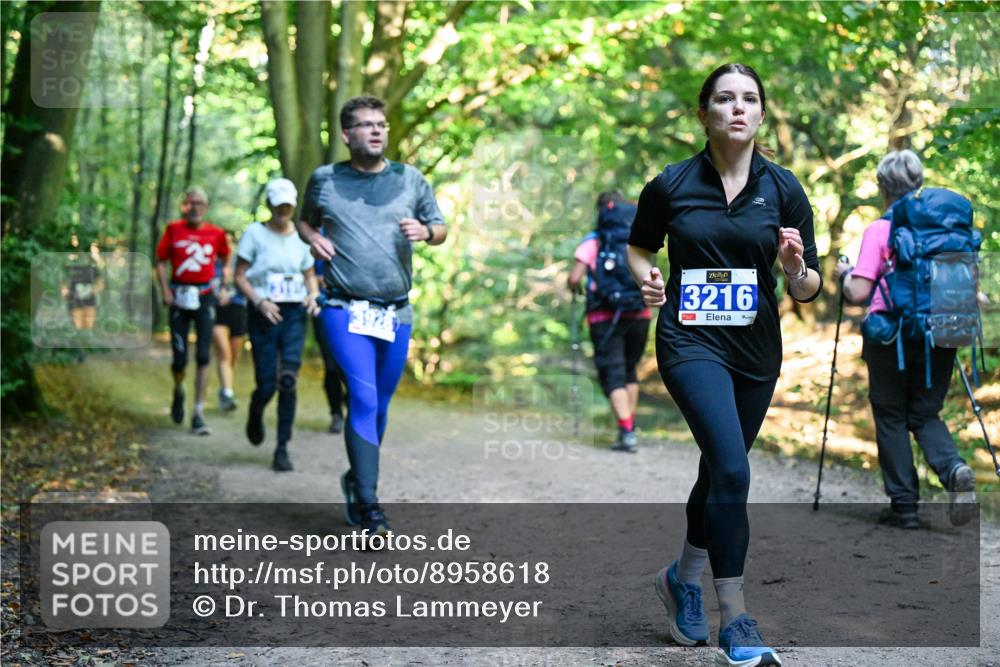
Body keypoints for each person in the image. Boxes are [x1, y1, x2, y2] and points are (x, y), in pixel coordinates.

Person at [627, 63, 820, 666]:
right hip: (690, 342)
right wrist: (650, 282)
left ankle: (680, 579)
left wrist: (792, 267)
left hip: (755, 350)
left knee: (719, 470)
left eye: (749, 99)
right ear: (704, 112)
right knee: (734, 470)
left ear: (762, 114)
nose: (738, 108)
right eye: (724, 99)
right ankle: (735, 618)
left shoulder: (784, 188)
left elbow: (809, 288)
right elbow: (639, 247)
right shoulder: (671, 184)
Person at [297, 95, 447, 535]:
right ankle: (369, 503)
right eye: (365, 125)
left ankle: (356, 478)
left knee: (379, 405)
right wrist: (312, 239)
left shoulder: (410, 179)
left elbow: (440, 227)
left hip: (395, 312)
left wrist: (426, 232)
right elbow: (307, 221)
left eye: (380, 123)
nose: (376, 130)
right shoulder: (324, 180)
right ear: (346, 135)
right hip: (343, 307)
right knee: (361, 399)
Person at [836, 149, 976, 529]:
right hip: (942, 331)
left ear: (883, 187)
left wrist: (844, 273)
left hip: (891, 335)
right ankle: (954, 470)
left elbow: (860, 292)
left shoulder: (880, 229)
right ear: (918, 183)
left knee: (892, 415)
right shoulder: (946, 226)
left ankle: (905, 508)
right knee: (925, 413)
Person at [235, 178, 320, 472]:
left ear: (294, 206)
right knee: (268, 383)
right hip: (264, 313)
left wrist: (313, 294)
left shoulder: (302, 238)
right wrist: (259, 301)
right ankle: (256, 409)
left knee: (288, 381)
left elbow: (309, 273)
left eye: (288, 205)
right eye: (278, 204)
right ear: (269, 205)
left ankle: (282, 447)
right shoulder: (255, 234)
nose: (283, 210)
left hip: (295, 312)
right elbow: (240, 275)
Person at [567, 190, 651, 453]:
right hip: (639, 312)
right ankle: (628, 428)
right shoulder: (635, 234)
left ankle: (626, 432)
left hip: (604, 315)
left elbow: (574, 277)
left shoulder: (595, 239)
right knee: (629, 371)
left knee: (612, 374)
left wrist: (576, 289)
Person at [156, 187, 230, 436]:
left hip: (205, 297)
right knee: (179, 359)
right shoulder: (173, 230)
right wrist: (165, 290)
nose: (195, 207)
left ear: (206, 207)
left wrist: (223, 286)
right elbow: (160, 260)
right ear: (184, 207)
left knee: (203, 356)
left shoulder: (216, 233)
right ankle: (178, 391)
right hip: (179, 298)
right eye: (191, 203)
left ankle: (198, 411)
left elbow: (226, 259)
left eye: (200, 203)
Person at [313, 240, 348, 434]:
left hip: (355, 311)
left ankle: (350, 402)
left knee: (349, 365)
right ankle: (336, 413)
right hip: (325, 309)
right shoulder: (319, 235)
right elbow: (307, 272)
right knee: (332, 365)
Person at [212, 231, 247, 412]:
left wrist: (231, 294)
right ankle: (228, 393)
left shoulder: (242, 263)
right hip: (217, 312)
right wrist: (218, 294)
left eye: (229, 242)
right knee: (224, 353)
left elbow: (247, 284)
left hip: (238, 309)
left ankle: (225, 388)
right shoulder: (211, 263)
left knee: (233, 357)